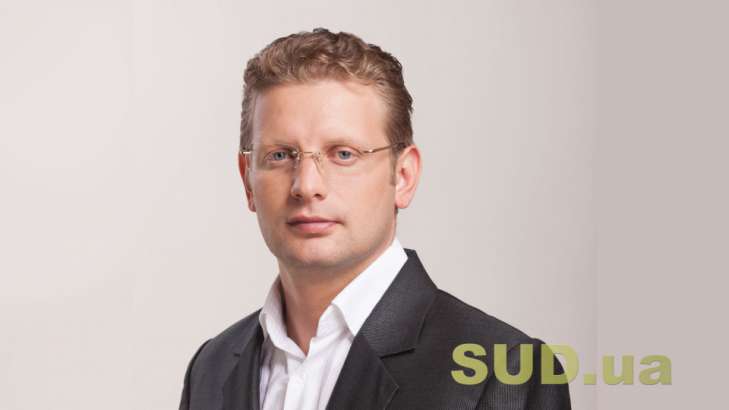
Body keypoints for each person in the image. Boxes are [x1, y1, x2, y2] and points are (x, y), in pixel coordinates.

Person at [178, 28, 571, 410]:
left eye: (343, 154)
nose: (306, 186)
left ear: (403, 176)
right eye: (280, 155)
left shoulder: (503, 374)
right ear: (247, 180)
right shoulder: (211, 368)